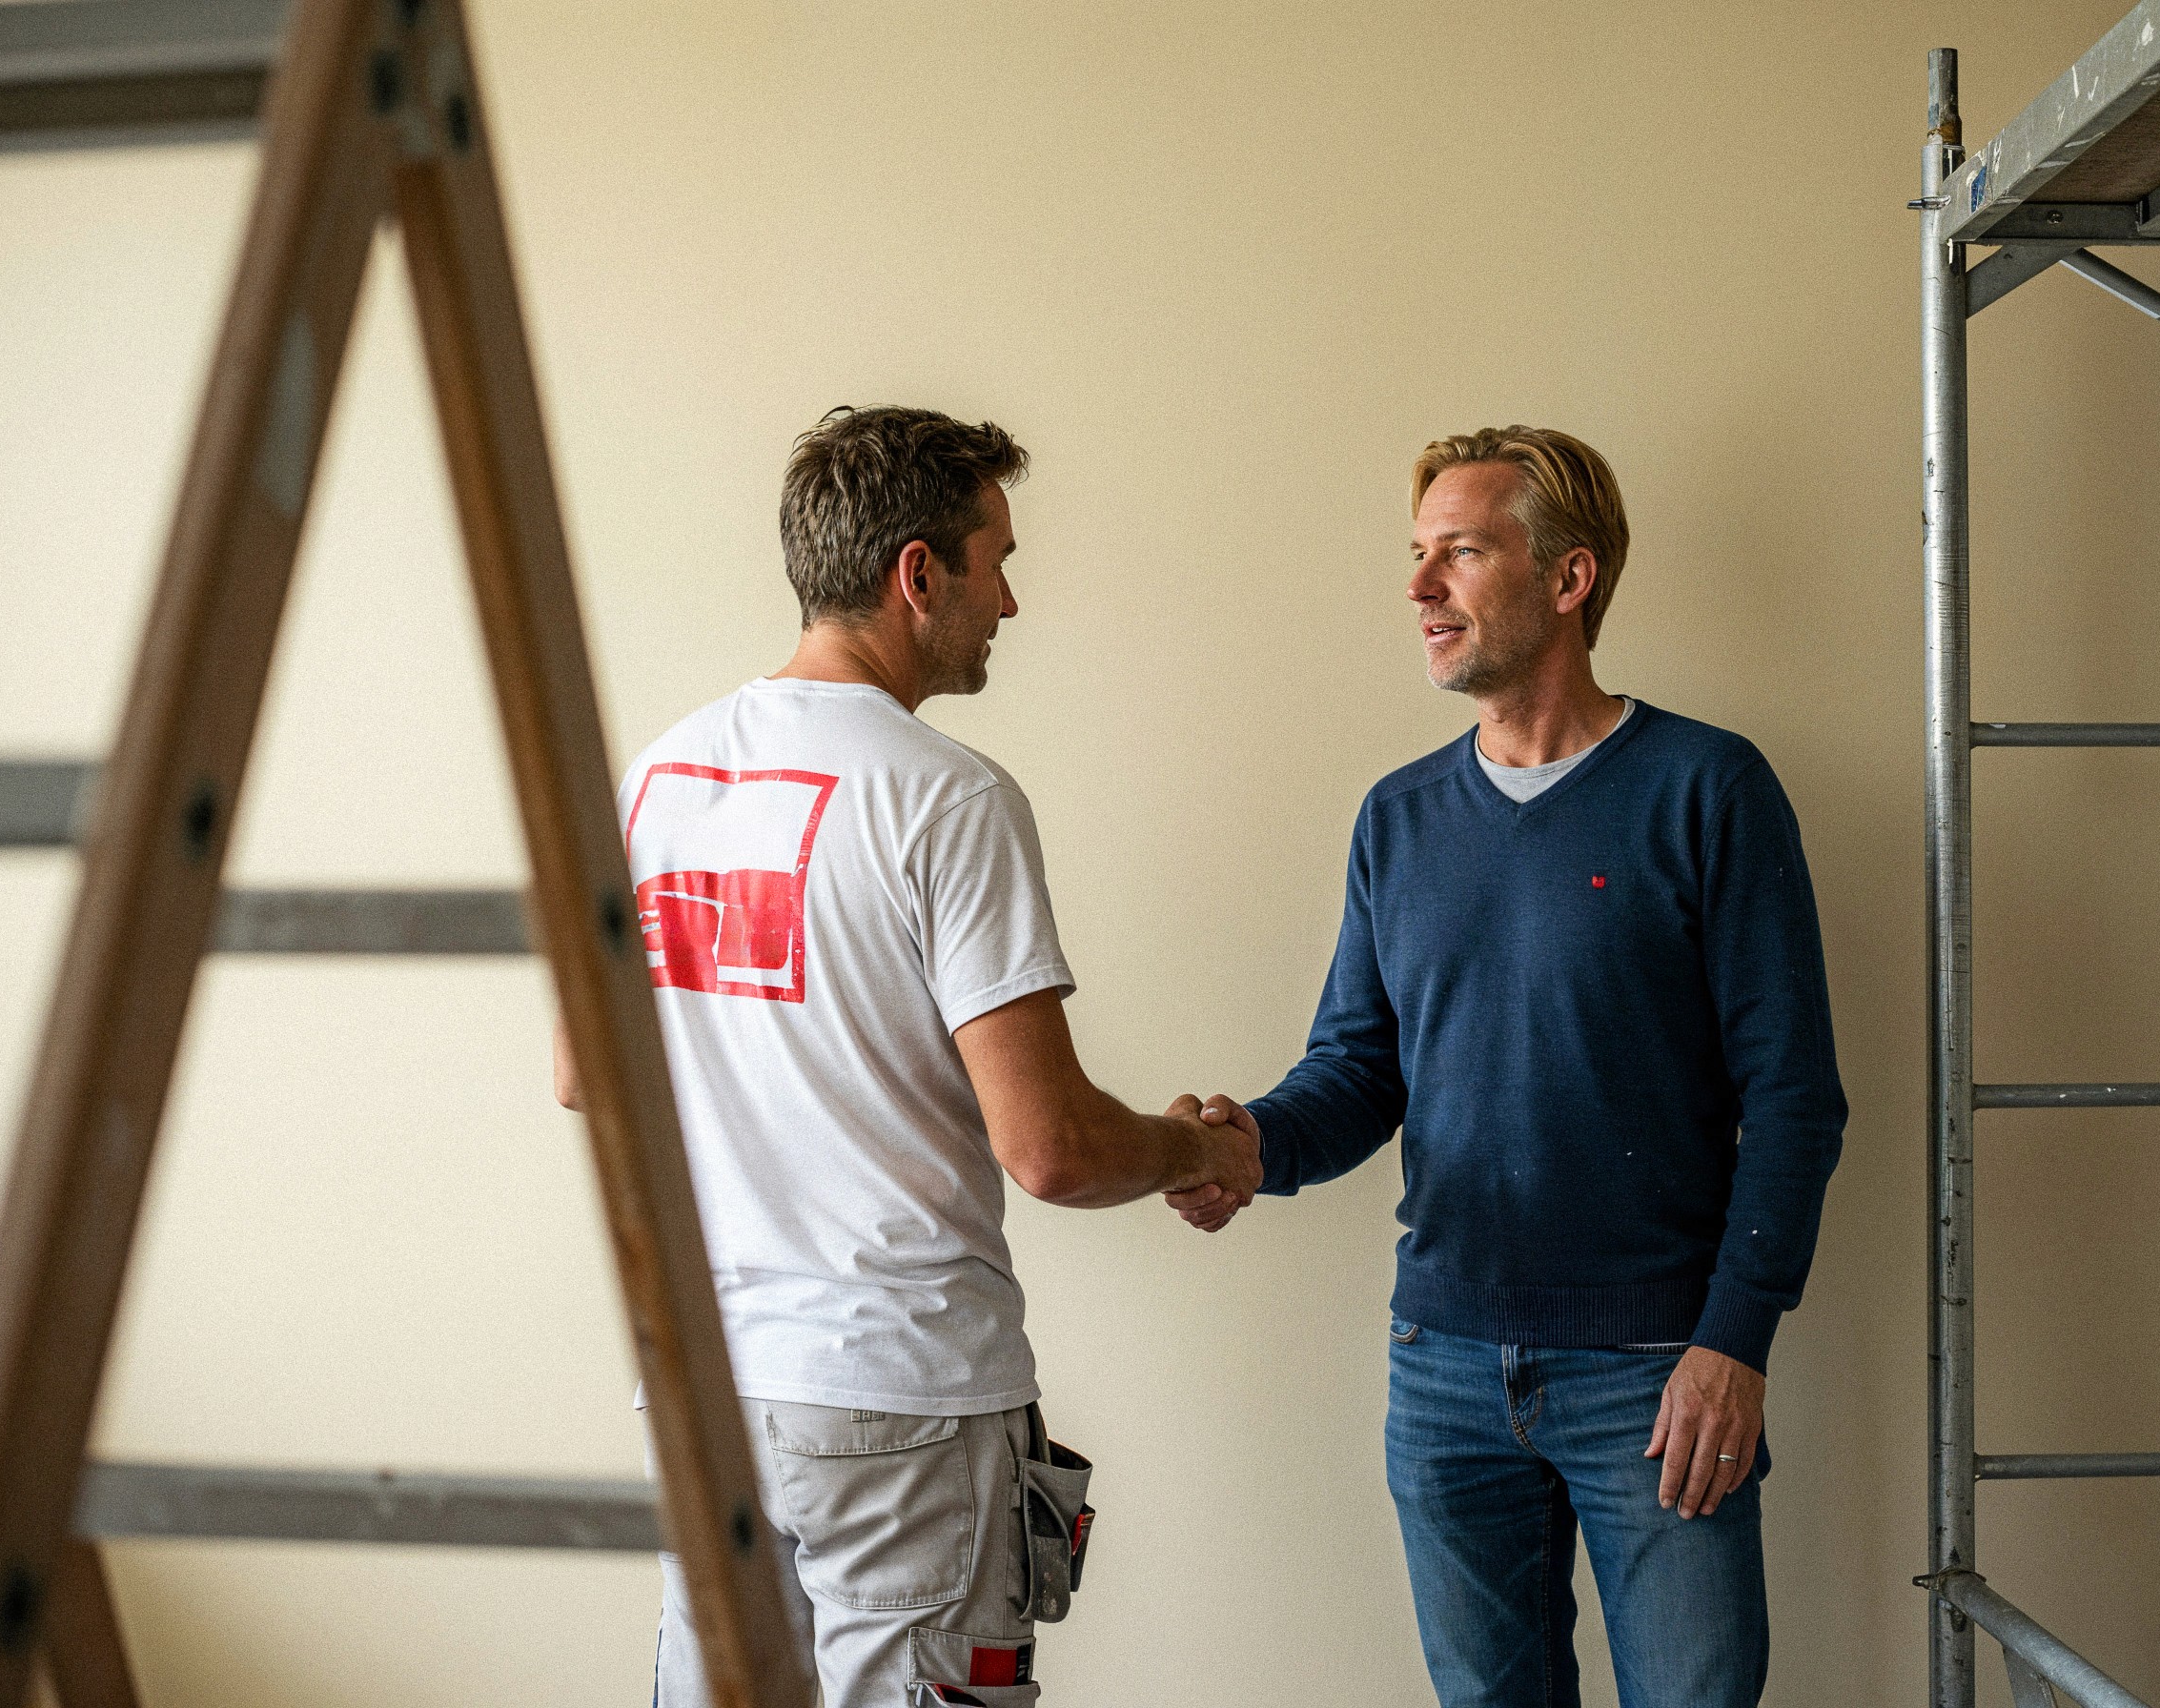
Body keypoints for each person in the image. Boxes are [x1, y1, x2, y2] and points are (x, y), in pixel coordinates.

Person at [556, 405, 1261, 1708]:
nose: (1011, 598)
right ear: (917, 574)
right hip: (899, 1407)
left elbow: (578, 1073)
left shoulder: (658, 780)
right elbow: (1050, 1149)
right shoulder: (948, 798)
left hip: (706, 1380)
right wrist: (1200, 1149)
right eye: (994, 558)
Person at [1169, 427, 1845, 1708]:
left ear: (1568, 578)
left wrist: (1733, 1341)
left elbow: (1796, 1098)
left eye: (1461, 553)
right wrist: (1246, 1147)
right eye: (1417, 558)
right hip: (1444, 1367)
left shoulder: (1710, 789)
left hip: (1658, 1370)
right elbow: (1360, 1071)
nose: (1420, 587)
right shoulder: (1400, 817)